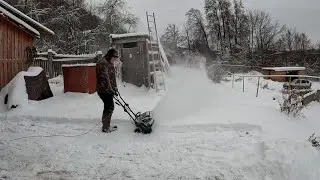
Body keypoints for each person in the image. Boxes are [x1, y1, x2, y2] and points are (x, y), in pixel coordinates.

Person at [96, 48, 119, 133]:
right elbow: (105, 79)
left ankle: (106, 125)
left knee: (108, 106)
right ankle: (106, 127)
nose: (115, 60)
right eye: (114, 58)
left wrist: (115, 88)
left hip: (108, 89)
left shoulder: (109, 62)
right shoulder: (103, 63)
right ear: (110, 56)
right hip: (103, 89)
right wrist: (110, 89)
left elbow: (112, 77)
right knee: (109, 107)